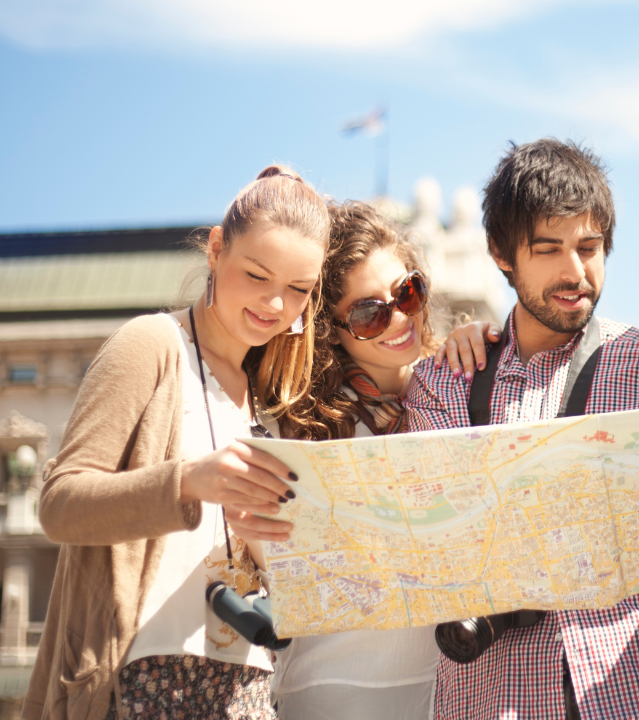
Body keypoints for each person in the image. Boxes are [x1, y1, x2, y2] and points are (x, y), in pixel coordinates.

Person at [408, 138, 639, 720]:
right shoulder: (444, 383)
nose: (575, 272)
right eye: (548, 250)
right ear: (499, 253)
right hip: (495, 698)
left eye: (589, 248)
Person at [24, 166, 329, 720]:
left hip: (247, 689)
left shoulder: (266, 403)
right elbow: (59, 504)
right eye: (258, 275)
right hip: (137, 679)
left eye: (298, 290)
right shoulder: (152, 344)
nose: (276, 305)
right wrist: (187, 480)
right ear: (216, 249)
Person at [269, 200, 442, 720]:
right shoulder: (299, 427)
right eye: (369, 313)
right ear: (331, 328)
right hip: (330, 690)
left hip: (446, 686)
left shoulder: (459, 394)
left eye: (406, 292)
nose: (399, 319)